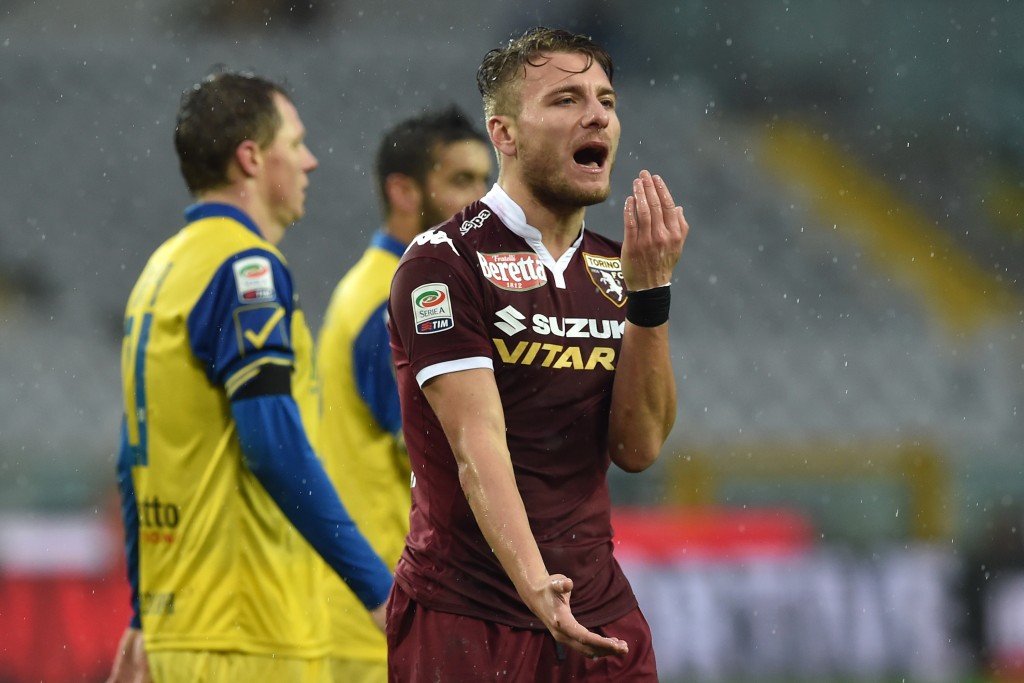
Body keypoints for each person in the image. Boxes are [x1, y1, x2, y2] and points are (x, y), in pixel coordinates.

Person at [384, 26, 688, 682]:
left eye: (606, 100)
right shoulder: (443, 262)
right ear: (504, 134)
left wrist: (651, 294)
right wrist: (534, 583)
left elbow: (637, 448)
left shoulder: (617, 266)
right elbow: (477, 444)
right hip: (471, 613)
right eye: (566, 99)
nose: (597, 115)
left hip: (597, 610)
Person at [106, 69, 392, 683]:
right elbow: (271, 444)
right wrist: (376, 588)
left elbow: (133, 460)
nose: (310, 161)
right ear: (252, 159)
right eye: (295, 142)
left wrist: (144, 607)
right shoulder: (246, 268)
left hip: (184, 627)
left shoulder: (162, 271)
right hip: (252, 633)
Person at [317, 106, 492, 681]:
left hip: (378, 620)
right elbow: (450, 460)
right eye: (462, 180)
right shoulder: (397, 302)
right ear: (403, 191)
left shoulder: (382, 289)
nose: (485, 199)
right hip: (388, 628)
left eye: (488, 181)